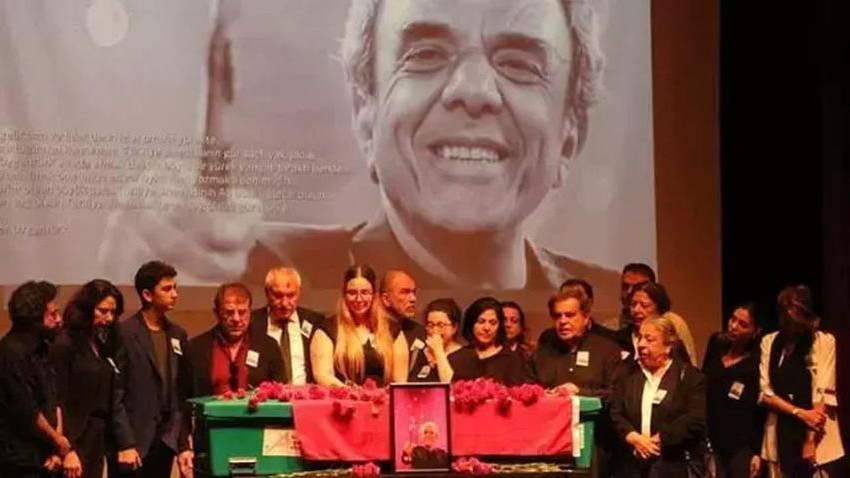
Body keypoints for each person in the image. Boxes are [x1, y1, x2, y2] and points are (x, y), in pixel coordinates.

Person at [97, 0, 619, 306]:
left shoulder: (612, 301)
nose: (474, 90)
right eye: (426, 54)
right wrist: (145, 268)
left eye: (520, 63)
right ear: (364, 111)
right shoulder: (257, 272)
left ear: (571, 129)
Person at [111, 261, 193, 478]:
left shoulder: (177, 334)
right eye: (167, 289)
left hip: (165, 439)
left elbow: (181, 393)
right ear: (147, 295)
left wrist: (183, 444)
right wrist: (125, 442)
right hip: (134, 440)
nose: (174, 294)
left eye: (175, 288)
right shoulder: (125, 333)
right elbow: (115, 393)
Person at [759, 285, 844, 477]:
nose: (791, 326)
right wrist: (799, 413)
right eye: (787, 320)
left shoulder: (823, 342)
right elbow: (766, 393)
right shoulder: (769, 342)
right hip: (780, 435)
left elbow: (823, 392)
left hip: (817, 438)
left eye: (795, 321)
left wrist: (810, 440)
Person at [610, 315, 706, 478]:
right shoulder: (627, 373)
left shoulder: (689, 377)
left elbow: (695, 418)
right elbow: (615, 412)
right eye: (640, 337)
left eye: (649, 339)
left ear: (668, 346)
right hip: (633, 466)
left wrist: (658, 440)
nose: (641, 344)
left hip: (673, 464)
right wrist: (633, 437)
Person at [49, 280, 124, 478]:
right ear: (86, 308)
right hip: (73, 438)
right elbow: (57, 399)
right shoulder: (65, 343)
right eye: (103, 311)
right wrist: (67, 449)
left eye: (113, 312)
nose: (109, 318)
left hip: (96, 436)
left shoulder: (100, 343)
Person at [0, 281, 69, 478]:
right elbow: (26, 409)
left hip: (48, 456)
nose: (59, 320)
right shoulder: (10, 352)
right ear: (33, 319)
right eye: (52, 314)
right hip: (20, 461)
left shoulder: (43, 349)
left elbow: (55, 398)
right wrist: (57, 440)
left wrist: (58, 446)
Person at [701, 302, 765, 478]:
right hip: (713, 440)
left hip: (741, 445)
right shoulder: (716, 345)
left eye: (742, 324)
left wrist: (757, 452)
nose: (733, 326)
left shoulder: (756, 363)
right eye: (733, 319)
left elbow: (760, 412)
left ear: (756, 331)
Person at [190, 283, 282, 396]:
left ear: (250, 313)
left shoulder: (268, 346)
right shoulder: (196, 348)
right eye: (229, 312)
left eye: (242, 312)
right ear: (217, 313)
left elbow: (280, 392)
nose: (236, 319)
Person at [310, 265, 394, 386]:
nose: (359, 299)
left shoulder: (391, 328)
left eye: (365, 292)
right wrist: (349, 392)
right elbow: (322, 374)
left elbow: (400, 380)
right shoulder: (328, 329)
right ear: (344, 295)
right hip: (344, 396)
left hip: (384, 397)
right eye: (352, 293)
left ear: (374, 294)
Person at [533, 289, 621, 399]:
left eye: (570, 315)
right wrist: (542, 395)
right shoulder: (541, 354)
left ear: (586, 318)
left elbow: (616, 395)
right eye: (557, 316)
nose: (563, 321)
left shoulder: (607, 351)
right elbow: (527, 392)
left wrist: (580, 392)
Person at [249, 267, 324, 385]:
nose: (284, 303)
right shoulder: (252, 323)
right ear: (267, 293)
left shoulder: (315, 322)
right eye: (278, 296)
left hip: (306, 394)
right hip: (266, 395)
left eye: (291, 295)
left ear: (299, 293)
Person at [449, 297, 532, 386]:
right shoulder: (458, 357)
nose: (486, 328)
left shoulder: (512, 359)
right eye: (481, 321)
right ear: (471, 323)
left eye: (493, 323)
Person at [624, 282, 698, 366]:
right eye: (633, 305)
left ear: (658, 307)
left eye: (644, 305)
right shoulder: (621, 338)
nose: (636, 310)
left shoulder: (672, 335)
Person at [380, 270, 427, 382]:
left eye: (414, 292)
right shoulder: (370, 330)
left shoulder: (421, 333)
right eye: (404, 292)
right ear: (386, 299)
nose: (413, 299)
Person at [594, 263, 655, 344]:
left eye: (637, 287)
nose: (629, 292)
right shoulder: (609, 330)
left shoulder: (668, 328)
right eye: (625, 287)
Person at [408, 298, 464, 383]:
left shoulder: (466, 356)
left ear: (454, 328)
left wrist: (438, 351)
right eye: (430, 325)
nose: (435, 331)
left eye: (440, 325)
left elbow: (451, 385)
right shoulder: (420, 353)